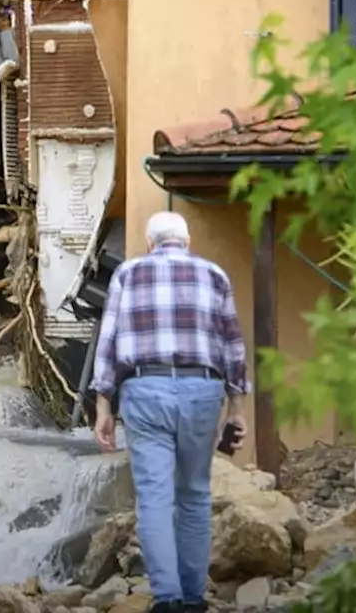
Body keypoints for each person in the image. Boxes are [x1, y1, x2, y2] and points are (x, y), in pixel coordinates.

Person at [91, 211, 250, 613]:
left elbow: (107, 341)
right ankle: (194, 599)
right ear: (187, 242)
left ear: (150, 244)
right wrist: (237, 409)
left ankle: (167, 599)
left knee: (155, 498)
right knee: (195, 494)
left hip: (144, 390)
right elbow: (233, 345)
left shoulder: (127, 274)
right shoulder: (214, 274)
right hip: (202, 390)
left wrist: (102, 405)